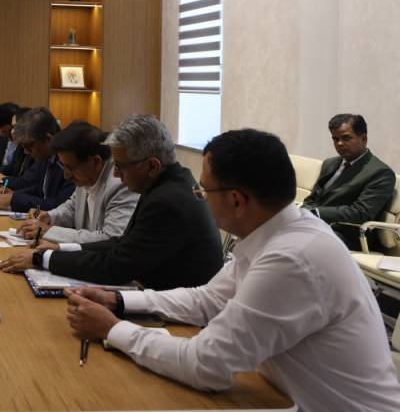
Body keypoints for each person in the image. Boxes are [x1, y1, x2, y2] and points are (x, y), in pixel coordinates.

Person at [67, 128, 400, 412]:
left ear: (237, 200)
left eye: (203, 190)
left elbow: (206, 365)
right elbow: (208, 299)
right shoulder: (279, 231)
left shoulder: (293, 258)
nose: (199, 197)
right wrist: (118, 301)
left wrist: (112, 329)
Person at [13, 114, 222, 290]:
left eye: (120, 166)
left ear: (152, 166)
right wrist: (62, 250)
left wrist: (44, 259)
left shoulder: (168, 201)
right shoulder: (165, 185)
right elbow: (121, 244)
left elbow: (116, 267)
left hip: (180, 317)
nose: (115, 173)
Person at [0, 121, 139, 271]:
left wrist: (49, 231)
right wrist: (50, 217)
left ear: (96, 162)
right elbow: (72, 206)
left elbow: (110, 239)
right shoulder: (87, 174)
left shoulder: (121, 183)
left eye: (69, 167)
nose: (66, 175)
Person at [301, 113, 396, 250]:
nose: (339, 143)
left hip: (348, 236)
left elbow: (361, 213)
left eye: (346, 138)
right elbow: (313, 197)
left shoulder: (381, 173)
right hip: (316, 226)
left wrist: (317, 212)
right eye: (335, 139)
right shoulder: (330, 164)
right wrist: (304, 212)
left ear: (363, 139)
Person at [0, 107, 73, 213]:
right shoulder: (45, 157)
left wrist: (14, 199)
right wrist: (14, 194)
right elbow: (39, 190)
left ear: (48, 139)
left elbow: (58, 206)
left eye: (29, 146)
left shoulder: (69, 162)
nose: (26, 152)